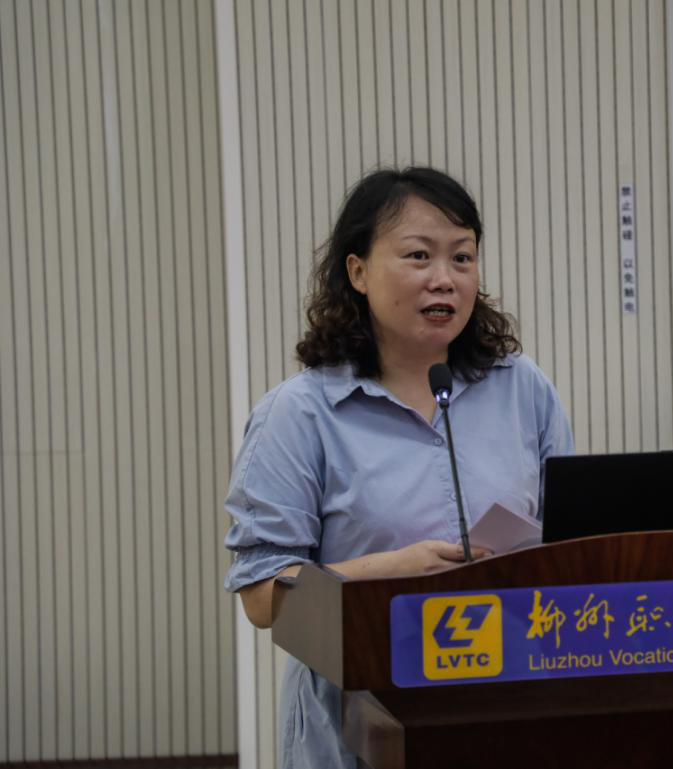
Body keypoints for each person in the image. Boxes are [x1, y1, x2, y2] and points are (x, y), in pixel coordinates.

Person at [223, 167, 574, 768]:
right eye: (418, 255)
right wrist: (390, 572)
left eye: (462, 257)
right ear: (357, 272)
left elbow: (571, 538)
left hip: (506, 703)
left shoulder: (522, 388)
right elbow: (261, 597)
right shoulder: (301, 413)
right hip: (359, 722)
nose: (444, 278)